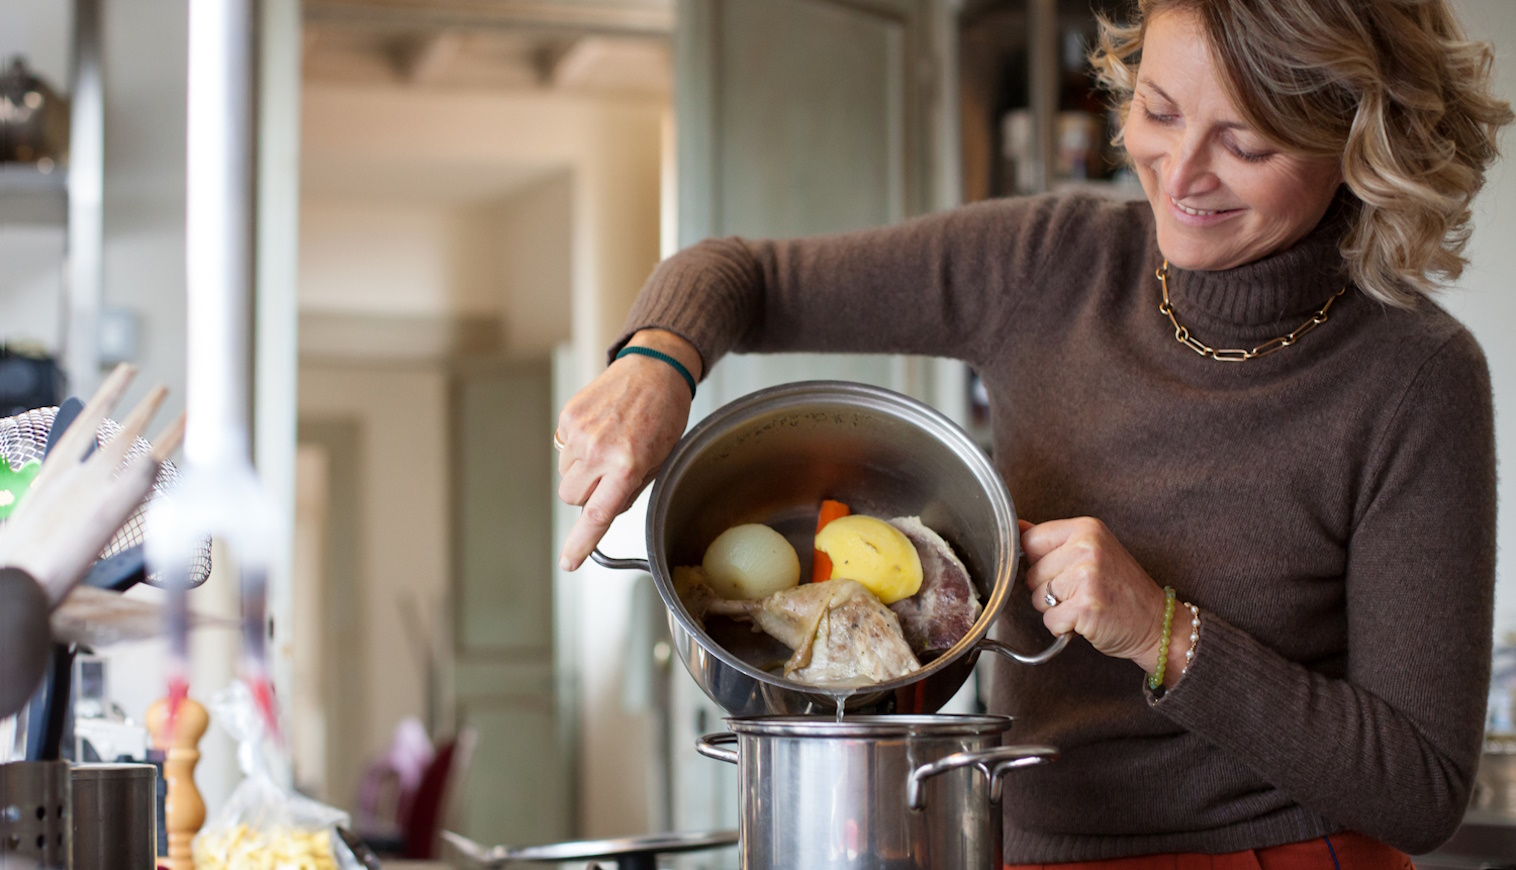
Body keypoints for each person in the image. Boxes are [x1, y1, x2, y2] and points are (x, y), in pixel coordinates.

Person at [553, 0, 1513, 865]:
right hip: (1021, 847)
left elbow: (1422, 788)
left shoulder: (1415, 379)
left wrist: (1160, 630)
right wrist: (656, 365)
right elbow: (740, 275)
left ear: (1359, 141)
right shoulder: (1048, 263)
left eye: (1248, 144)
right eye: (1162, 111)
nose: (1180, 174)